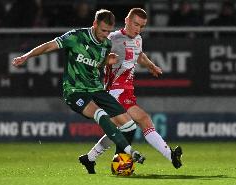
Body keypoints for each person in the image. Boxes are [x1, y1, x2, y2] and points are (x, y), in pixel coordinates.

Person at [12, 9, 145, 169]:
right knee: (100, 114)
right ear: (95, 24)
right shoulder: (76, 37)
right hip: (75, 91)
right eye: (103, 30)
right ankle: (127, 155)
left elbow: (97, 63)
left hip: (96, 89)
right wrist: (26, 56)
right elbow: (49, 46)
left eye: (109, 31)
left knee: (129, 125)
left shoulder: (106, 44)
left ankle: (94, 160)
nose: (106, 34)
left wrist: (106, 62)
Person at [79, 8, 183, 174]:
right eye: (136, 24)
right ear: (127, 20)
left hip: (127, 90)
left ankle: (89, 158)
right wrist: (106, 61)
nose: (138, 29)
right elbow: (96, 57)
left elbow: (139, 54)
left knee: (118, 130)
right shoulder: (113, 39)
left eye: (142, 26)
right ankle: (170, 155)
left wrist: (150, 65)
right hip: (114, 91)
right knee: (143, 119)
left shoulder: (138, 39)